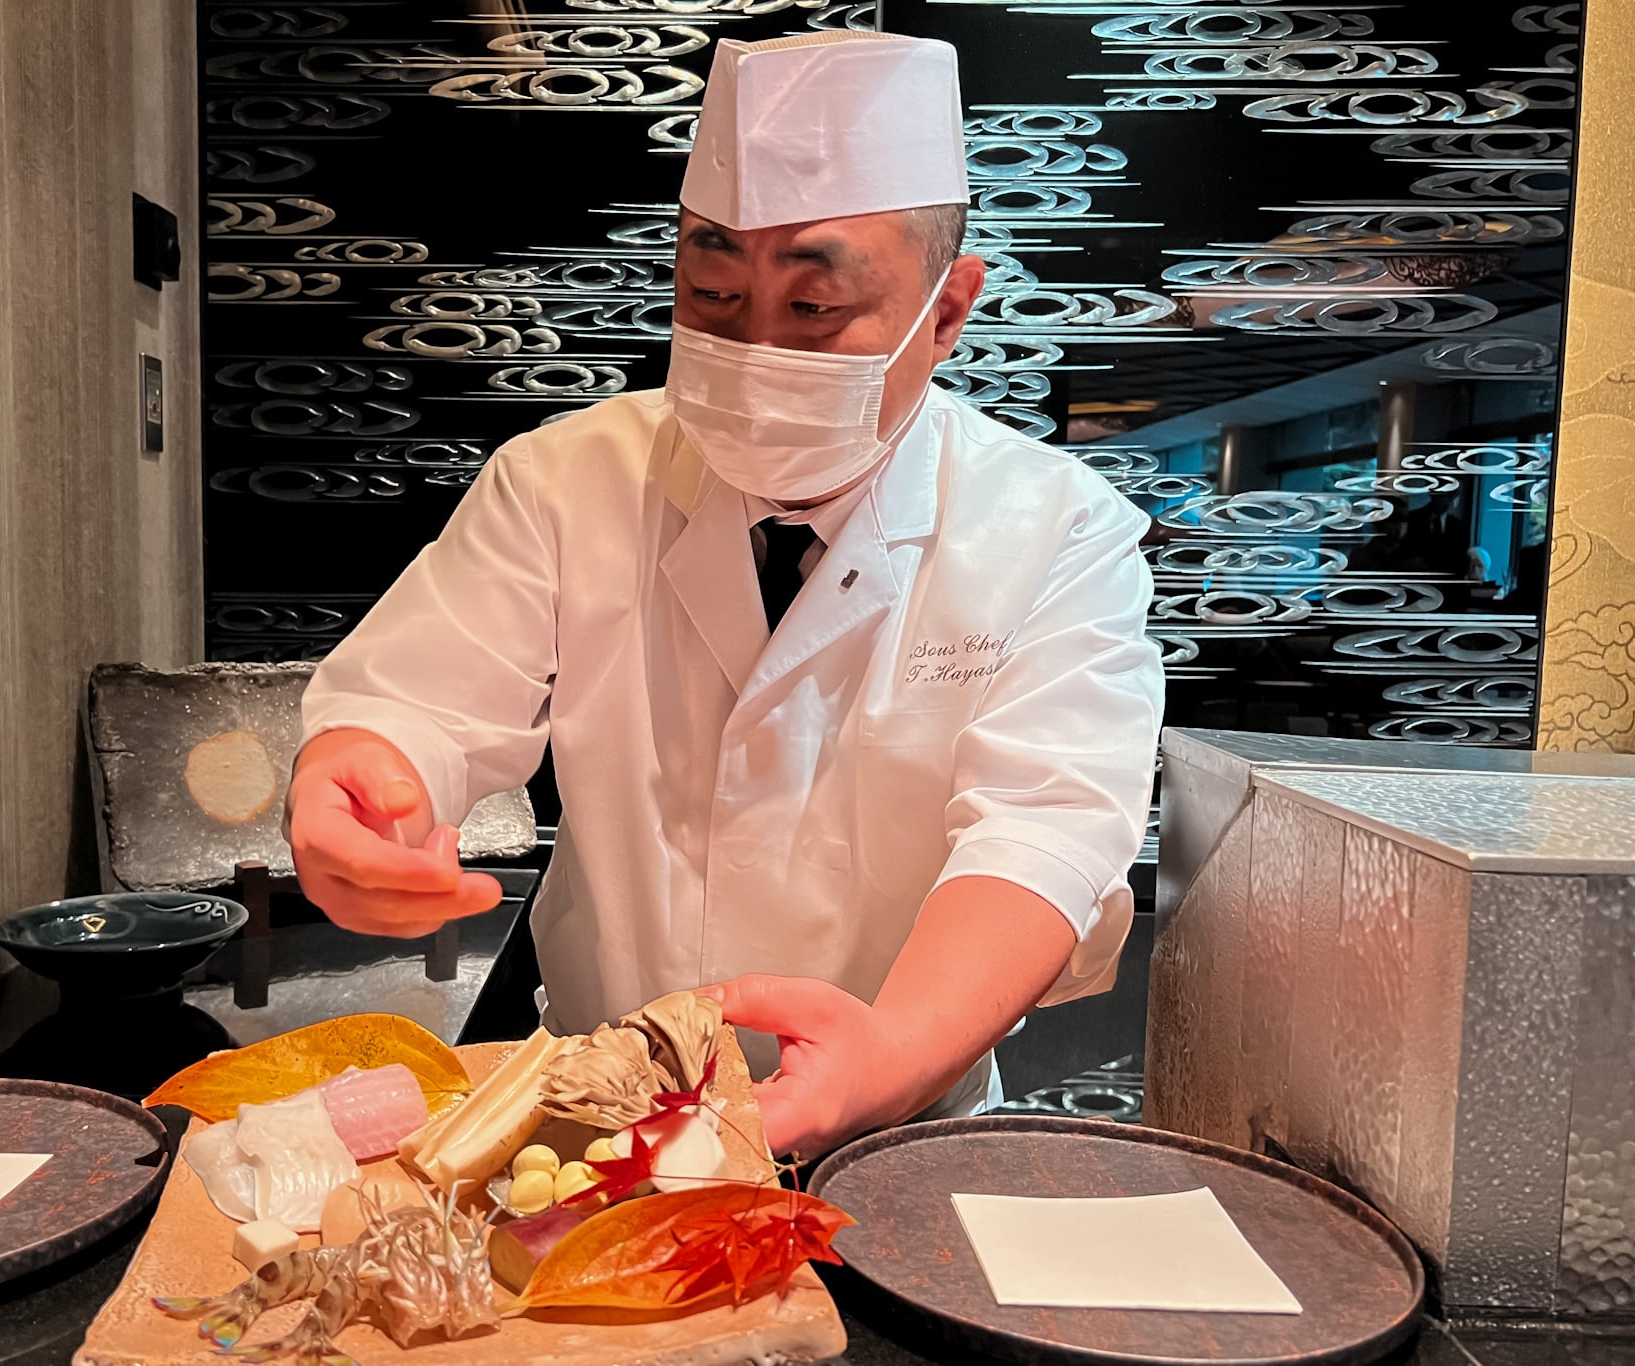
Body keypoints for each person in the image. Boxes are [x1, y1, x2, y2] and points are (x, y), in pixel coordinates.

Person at [285, 32, 1163, 1159]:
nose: (753, 350)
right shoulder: (562, 479)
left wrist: (894, 1053)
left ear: (945, 312)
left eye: (814, 308)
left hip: (901, 1125)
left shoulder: (1055, 527)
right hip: (606, 1109)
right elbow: (420, 701)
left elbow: (1044, 826)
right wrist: (363, 779)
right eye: (712, 293)